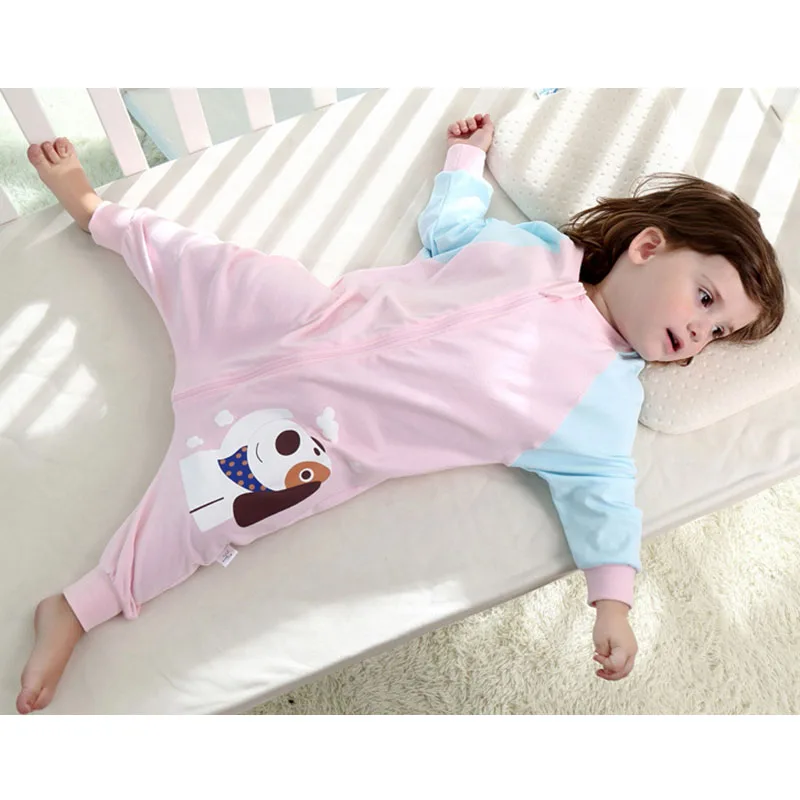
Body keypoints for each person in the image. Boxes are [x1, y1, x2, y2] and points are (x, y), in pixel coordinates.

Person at [17, 112, 785, 714]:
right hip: (306, 320)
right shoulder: (540, 252)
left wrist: (612, 601)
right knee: (218, 266)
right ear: (647, 247)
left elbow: (606, 495)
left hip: (312, 443)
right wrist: (466, 161)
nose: (701, 333)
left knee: (204, 521)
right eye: (706, 298)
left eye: (719, 333)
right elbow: (452, 234)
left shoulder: (603, 403)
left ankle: (80, 608)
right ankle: (97, 212)